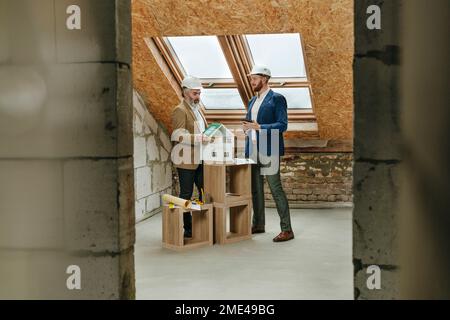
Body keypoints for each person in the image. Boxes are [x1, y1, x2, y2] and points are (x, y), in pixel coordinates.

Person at [243, 65, 294, 242]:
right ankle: (258, 224)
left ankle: (287, 230)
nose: (252, 82)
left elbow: (282, 125)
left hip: (269, 149)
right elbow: (250, 123)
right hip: (252, 149)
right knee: (255, 190)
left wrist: (260, 127)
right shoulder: (252, 101)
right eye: (251, 79)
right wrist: (247, 128)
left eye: (254, 78)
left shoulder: (277, 99)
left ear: (264, 79)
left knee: (275, 189)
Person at [171, 76, 210, 238]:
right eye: (195, 93)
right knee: (186, 195)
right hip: (186, 160)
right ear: (185, 92)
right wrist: (198, 138)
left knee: (205, 191)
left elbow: (201, 130)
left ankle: (203, 224)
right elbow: (178, 135)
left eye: (199, 93)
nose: (198, 96)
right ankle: (188, 229)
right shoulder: (179, 110)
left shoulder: (197, 109)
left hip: (201, 159)